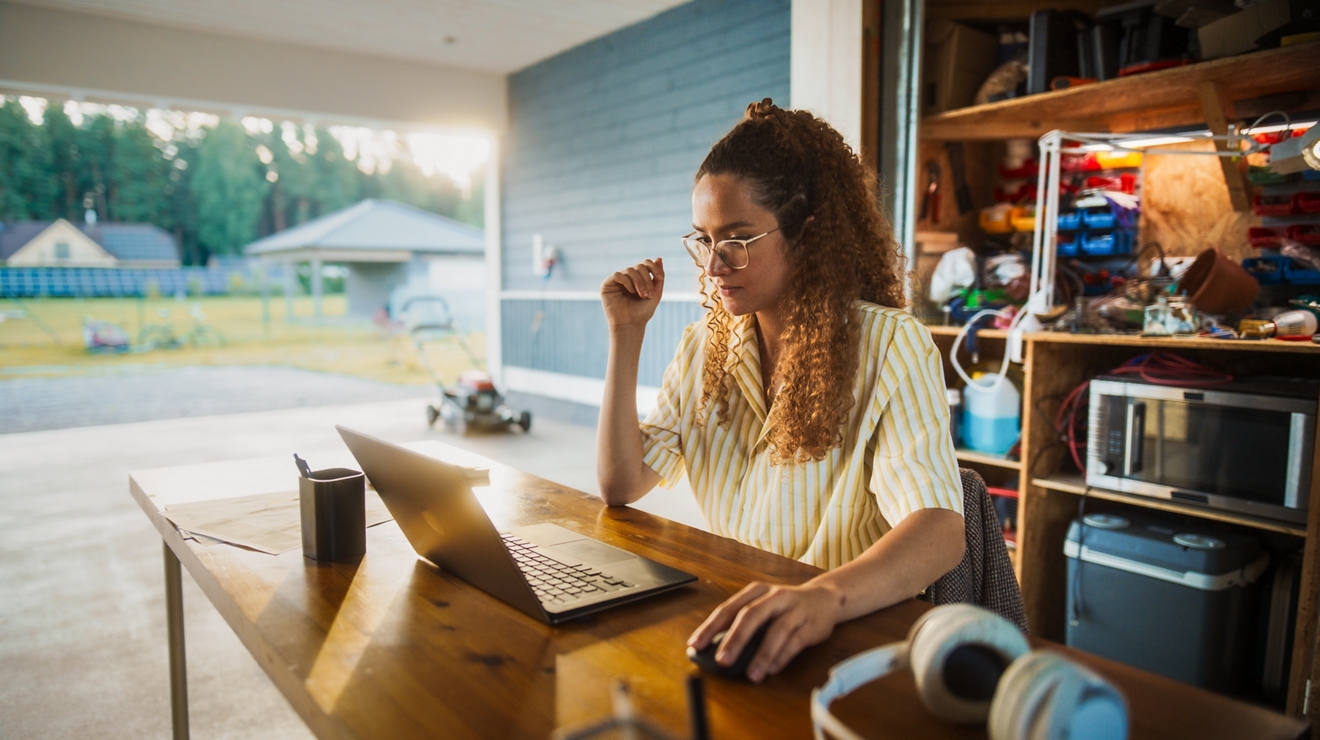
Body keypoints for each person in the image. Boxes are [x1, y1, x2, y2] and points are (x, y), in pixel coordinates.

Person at [597, 99, 965, 684]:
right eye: (704, 240)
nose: (714, 265)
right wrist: (626, 335)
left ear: (807, 233)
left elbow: (941, 531)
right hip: (736, 625)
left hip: (845, 637)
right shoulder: (705, 347)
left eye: (738, 239)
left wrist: (823, 598)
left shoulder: (890, 344)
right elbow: (621, 483)